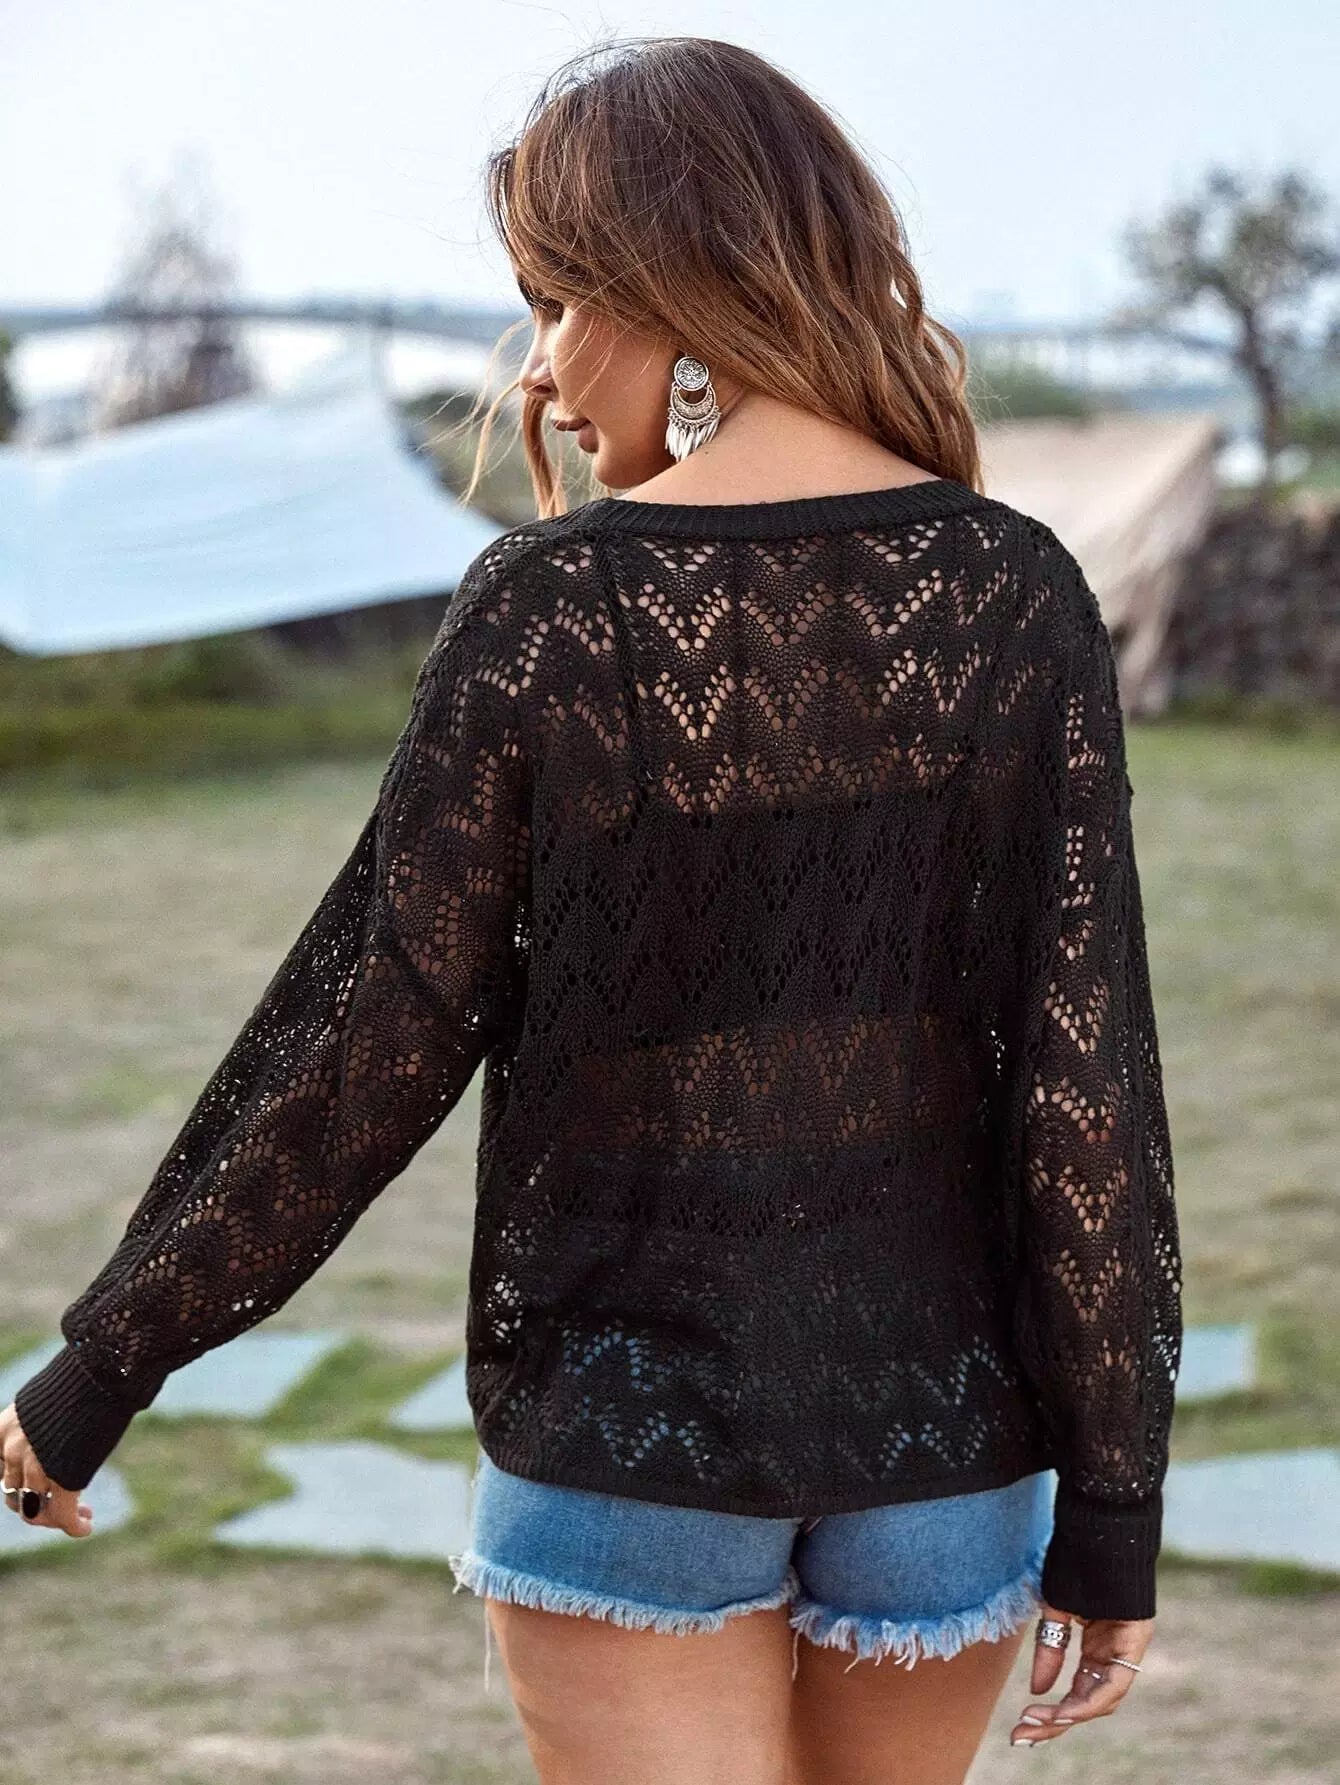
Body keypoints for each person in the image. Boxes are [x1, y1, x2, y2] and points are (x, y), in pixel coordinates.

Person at [1, 35, 1182, 1785]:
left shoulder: (551, 612)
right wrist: (1115, 1500)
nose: (543, 369)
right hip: (946, 1447)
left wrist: (105, 1362)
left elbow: (366, 1044)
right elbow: (1087, 1087)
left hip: (629, 1432)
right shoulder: (1016, 591)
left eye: (557, 301)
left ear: (671, 284)